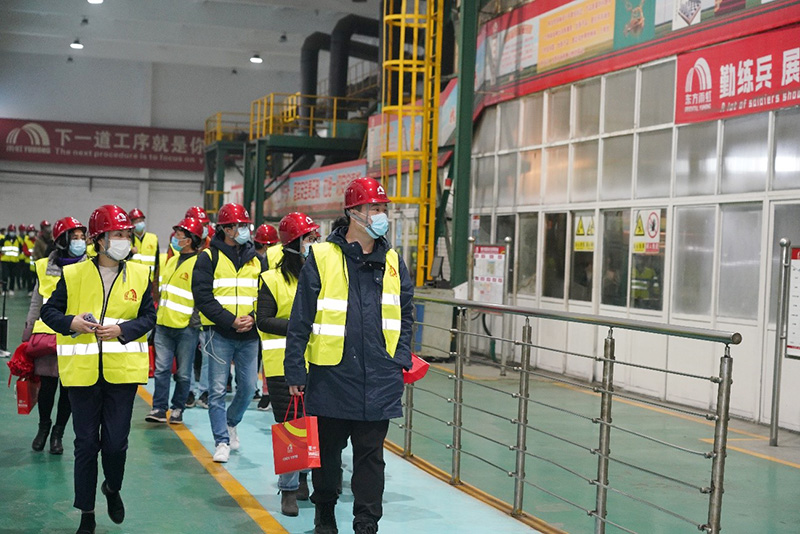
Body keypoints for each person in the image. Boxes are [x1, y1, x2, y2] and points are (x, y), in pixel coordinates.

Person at [284, 177, 414, 534]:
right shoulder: (322, 257)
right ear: (354, 212)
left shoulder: (392, 261)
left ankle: (366, 521)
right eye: (374, 208)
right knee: (328, 454)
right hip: (332, 375)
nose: (381, 214)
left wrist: (400, 357)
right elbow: (301, 318)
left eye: (383, 208)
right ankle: (325, 513)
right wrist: (295, 370)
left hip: (380, 376)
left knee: (371, 456)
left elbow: (405, 315)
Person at [41, 205, 156, 534]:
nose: (125, 240)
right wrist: (71, 323)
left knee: (116, 443)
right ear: (99, 240)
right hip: (82, 373)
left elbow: (149, 317)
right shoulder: (74, 274)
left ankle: (112, 487)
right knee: (86, 444)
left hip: (123, 373)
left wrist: (123, 330)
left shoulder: (139, 275)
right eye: (118, 234)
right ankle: (87, 513)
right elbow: (50, 312)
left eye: (127, 234)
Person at [256, 212, 319, 516]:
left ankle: (304, 477)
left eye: (315, 238)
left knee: (312, 424)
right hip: (282, 365)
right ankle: (289, 490)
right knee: (292, 427)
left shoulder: (321, 277)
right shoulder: (271, 279)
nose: (314, 244)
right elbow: (264, 320)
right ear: (294, 243)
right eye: (309, 239)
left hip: (318, 361)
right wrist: (299, 325)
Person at [191, 202, 262, 463]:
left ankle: (231, 422)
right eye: (239, 225)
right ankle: (221, 440)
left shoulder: (256, 259)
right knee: (217, 390)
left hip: (249, 335)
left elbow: (265, 295)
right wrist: (230, 321)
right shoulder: (208, 258)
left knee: (248, 388)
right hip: (219, 333)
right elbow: (203, 297)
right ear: (226, 229)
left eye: (245, 225)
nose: (244, 230)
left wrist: (253, 318)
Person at [22, 216, 87, 454]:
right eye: (75, 237)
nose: (80, 242)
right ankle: (43, 428)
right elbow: (36, 302)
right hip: (47, 337)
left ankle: (58, 434)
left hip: (75, 335)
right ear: (62, 240)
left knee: (68, 389)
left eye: (82, 237)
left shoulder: (88, 267)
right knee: (47, 387)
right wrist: (27, 334)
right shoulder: (44, 266)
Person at [145, 217, 204, 425]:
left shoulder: (199, 264)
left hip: (186, 327)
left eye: (179, 235)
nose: (175, 238)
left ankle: (178, 408)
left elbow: (202, 295)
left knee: (184, 373)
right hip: (163, 324)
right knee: (161, 370)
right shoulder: (170, 260)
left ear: (190, 240)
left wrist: (194, 321)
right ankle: (159, 408)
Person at [127, 208, 159, 285]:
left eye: (141, 221)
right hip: (132, 279)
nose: (140, 223)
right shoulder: (127, 239)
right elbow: (121, 260)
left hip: (148, 279)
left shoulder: (153, 238)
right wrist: (131, 253)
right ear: (131, 224)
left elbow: (157, 262)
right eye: (137, 221)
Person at [1, 223, 22, 296]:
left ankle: (11, 289)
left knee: (13, 276)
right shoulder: (3, 239)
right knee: (5, 276)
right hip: (5, 261)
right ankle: (4, 290)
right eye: (10, 231)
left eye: (13, 231)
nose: (12, 232)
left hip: (14, 261)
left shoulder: (18, 240)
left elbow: (21, 249)